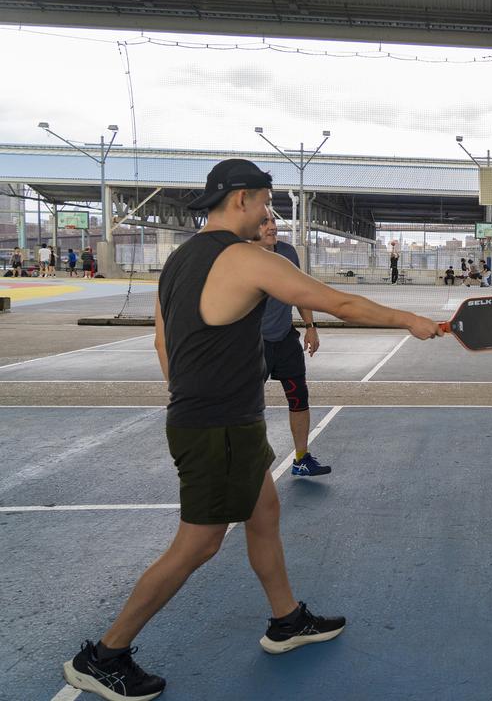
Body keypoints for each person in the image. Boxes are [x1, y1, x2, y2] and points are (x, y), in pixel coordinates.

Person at [62, 159, 440, 701]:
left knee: (264, 514)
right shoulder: (244, 258)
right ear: (241, 198)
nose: (268, 213)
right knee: (199, 543)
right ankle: (104, 655)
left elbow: (162, 345)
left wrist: (193, 398)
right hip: (216, 427)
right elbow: (336, 302)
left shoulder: (177, 264)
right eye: (265, 201)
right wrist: (408, 320)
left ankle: (286, 620)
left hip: (214, 420)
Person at [254, 216, 331, 477]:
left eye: (273, 222)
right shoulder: (240, 257)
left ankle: (301, 458)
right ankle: (242, 465)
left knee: (299, 397)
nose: (272, 227)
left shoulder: (287, 252)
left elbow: (299, 292)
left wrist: (310, 327)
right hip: (253, 343)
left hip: (285, 338)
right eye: (264, 222)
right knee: (246, 407)